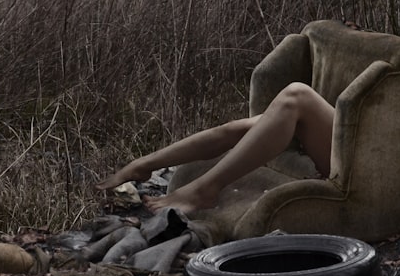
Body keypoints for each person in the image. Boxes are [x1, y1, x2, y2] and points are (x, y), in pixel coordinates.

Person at [95, 82, 334, 214]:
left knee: (296, 97)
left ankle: (203, 191)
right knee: (236, 128)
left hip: (367, 156)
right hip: (357, 132)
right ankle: (143, 165)